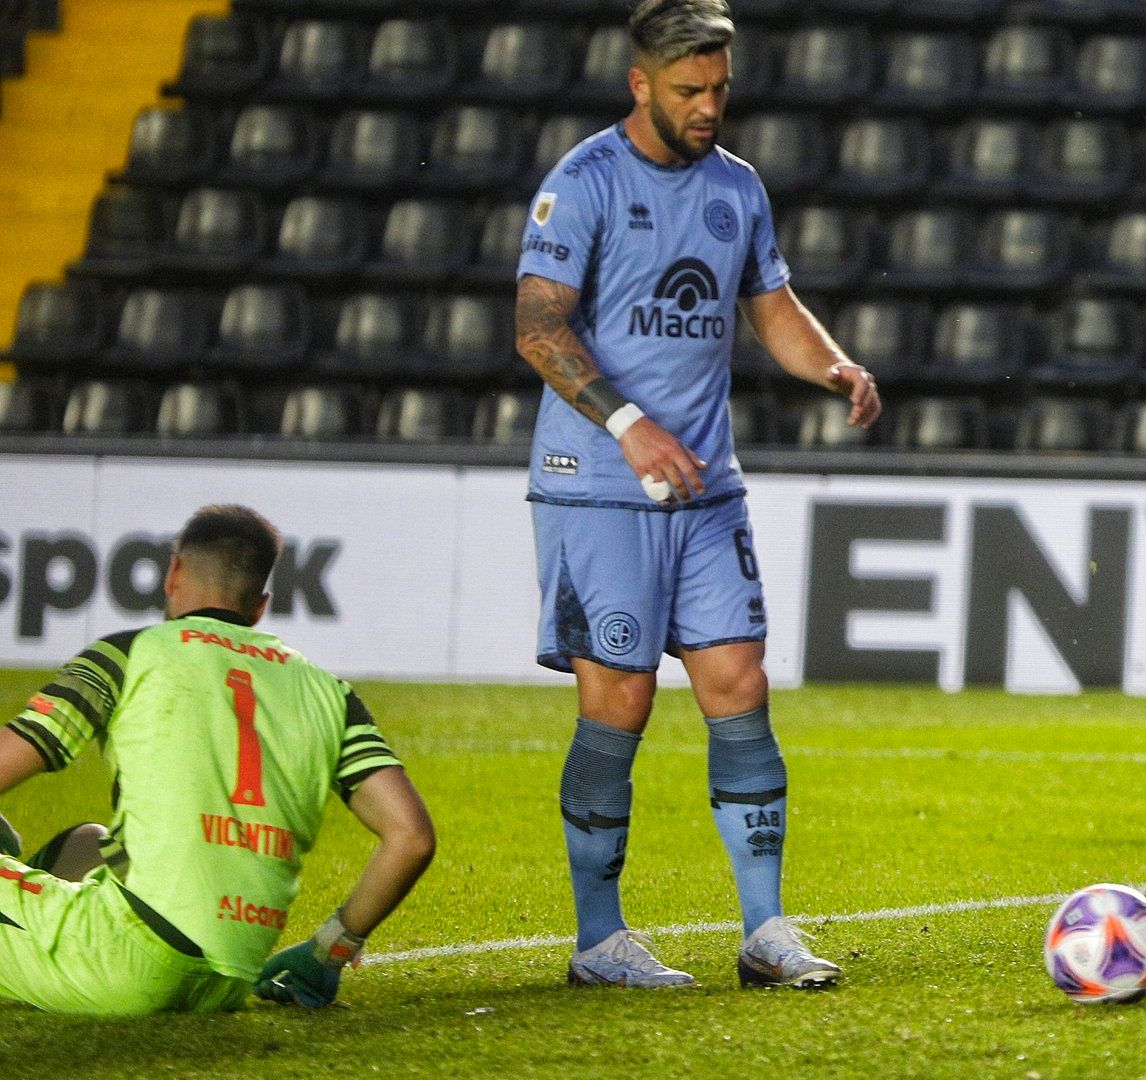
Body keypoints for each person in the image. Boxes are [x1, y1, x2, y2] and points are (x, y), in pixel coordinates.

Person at [513, 0, 878, 990]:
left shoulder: (737, 188)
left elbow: (770, 306)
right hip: (598, 488)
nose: (710, 106)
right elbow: (538, 330)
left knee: (739, 687)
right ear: (641, 85)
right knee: (619, 706)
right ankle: (600, 939)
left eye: (720, 87)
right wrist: (629, 425)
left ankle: (766, 928)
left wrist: (836, 366)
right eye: (689, 91)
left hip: (708, 489)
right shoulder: (582, 183)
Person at [0, 505, 435, 1015]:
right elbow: (412, 837)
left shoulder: (130, 654)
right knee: (87, 842)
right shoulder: (329, 692)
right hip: (224, 982)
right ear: (261, 606)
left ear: (174, 573)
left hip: (120, 963)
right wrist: (330, 950)